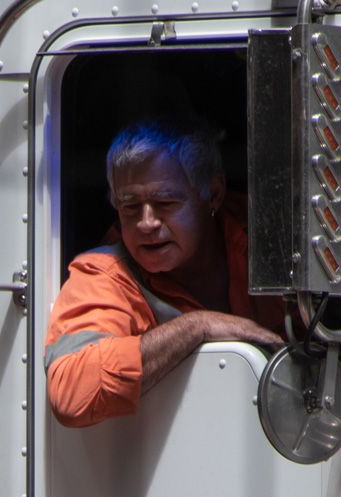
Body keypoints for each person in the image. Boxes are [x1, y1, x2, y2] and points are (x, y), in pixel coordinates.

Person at [45, 116, 286, 427]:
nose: (146, 223)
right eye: (129, 206)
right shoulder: (103, 273)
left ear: (212, 193)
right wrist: (197, 326)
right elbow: (71, 392)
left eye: (165, 202)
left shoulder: (274, 237)